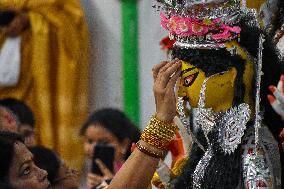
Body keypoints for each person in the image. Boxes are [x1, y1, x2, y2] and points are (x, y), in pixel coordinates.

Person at [79, 108, 140, 189]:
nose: (94, 147)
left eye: (103, 142)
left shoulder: (133, 174)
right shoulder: (89, 174)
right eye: (90, 141)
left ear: (124, 145)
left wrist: (110, 185)